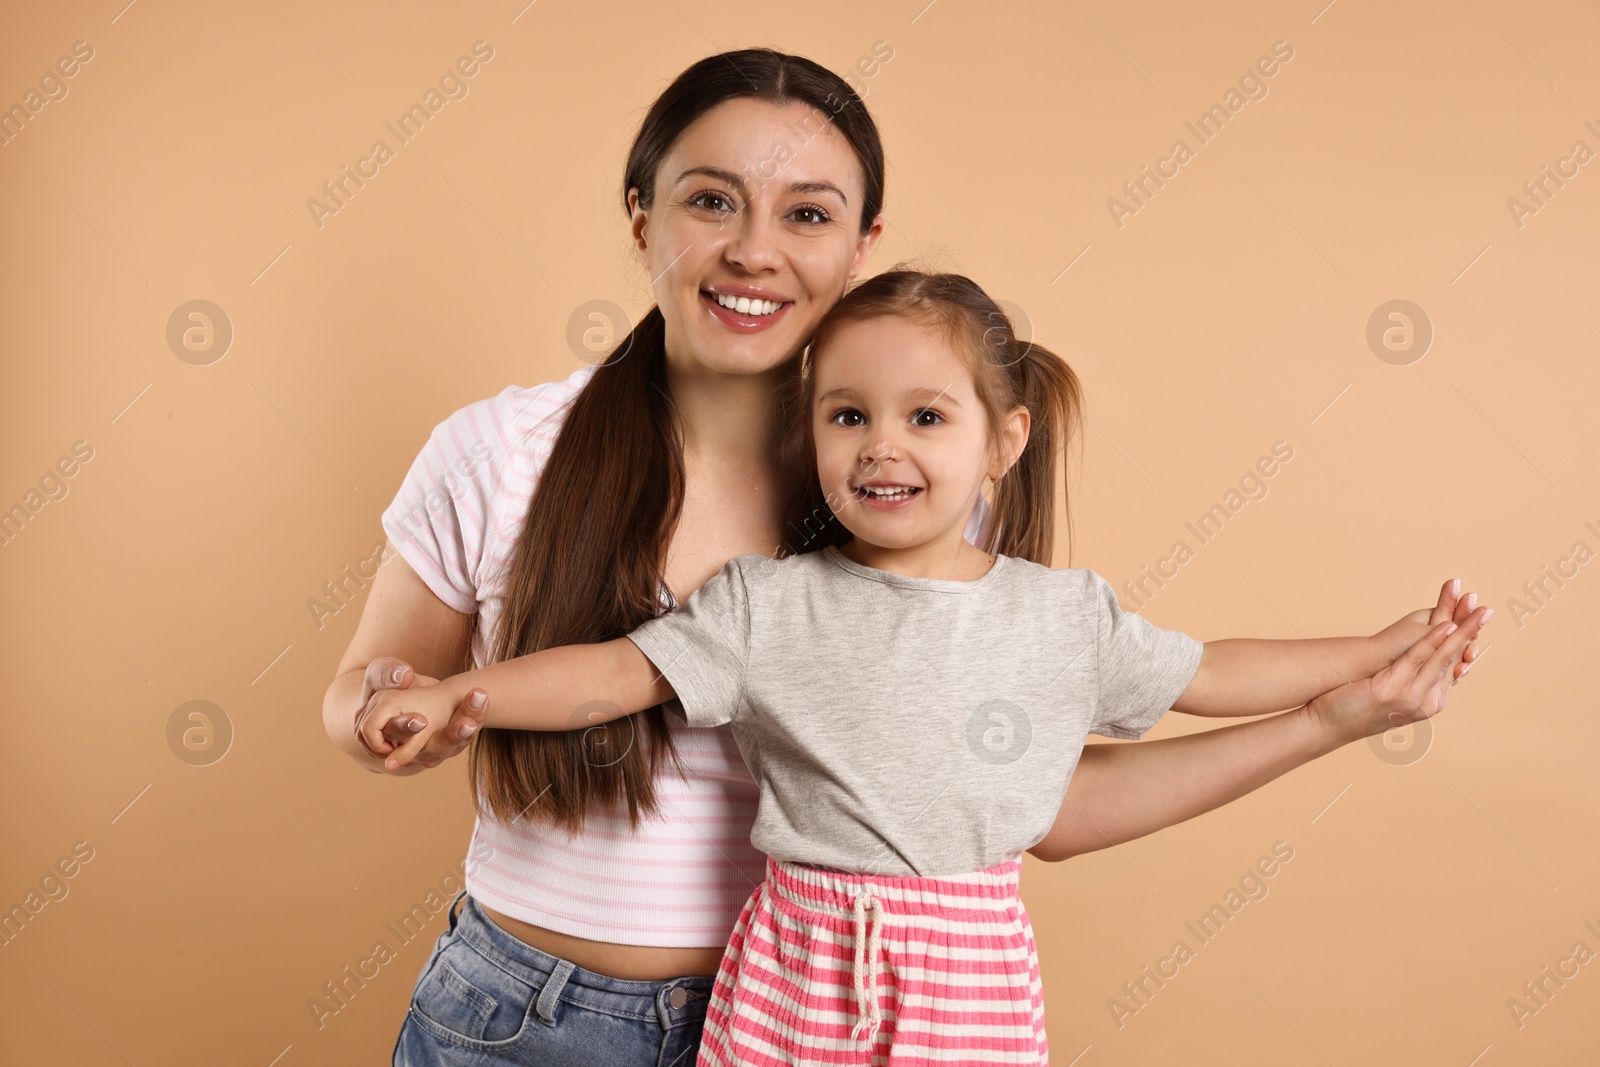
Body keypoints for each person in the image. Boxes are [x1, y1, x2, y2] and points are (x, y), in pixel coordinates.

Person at [357, 268, 1491, 1065]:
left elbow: (1206, 671)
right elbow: (612, 675)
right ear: (812, 434)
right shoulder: (767, 600)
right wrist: (463, 691)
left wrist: (1375, 655)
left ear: (1002, 438)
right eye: (847, 415)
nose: (881, 444)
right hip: (797, 966)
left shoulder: (1058, 613)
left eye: (926, 416)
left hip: (965, 984)